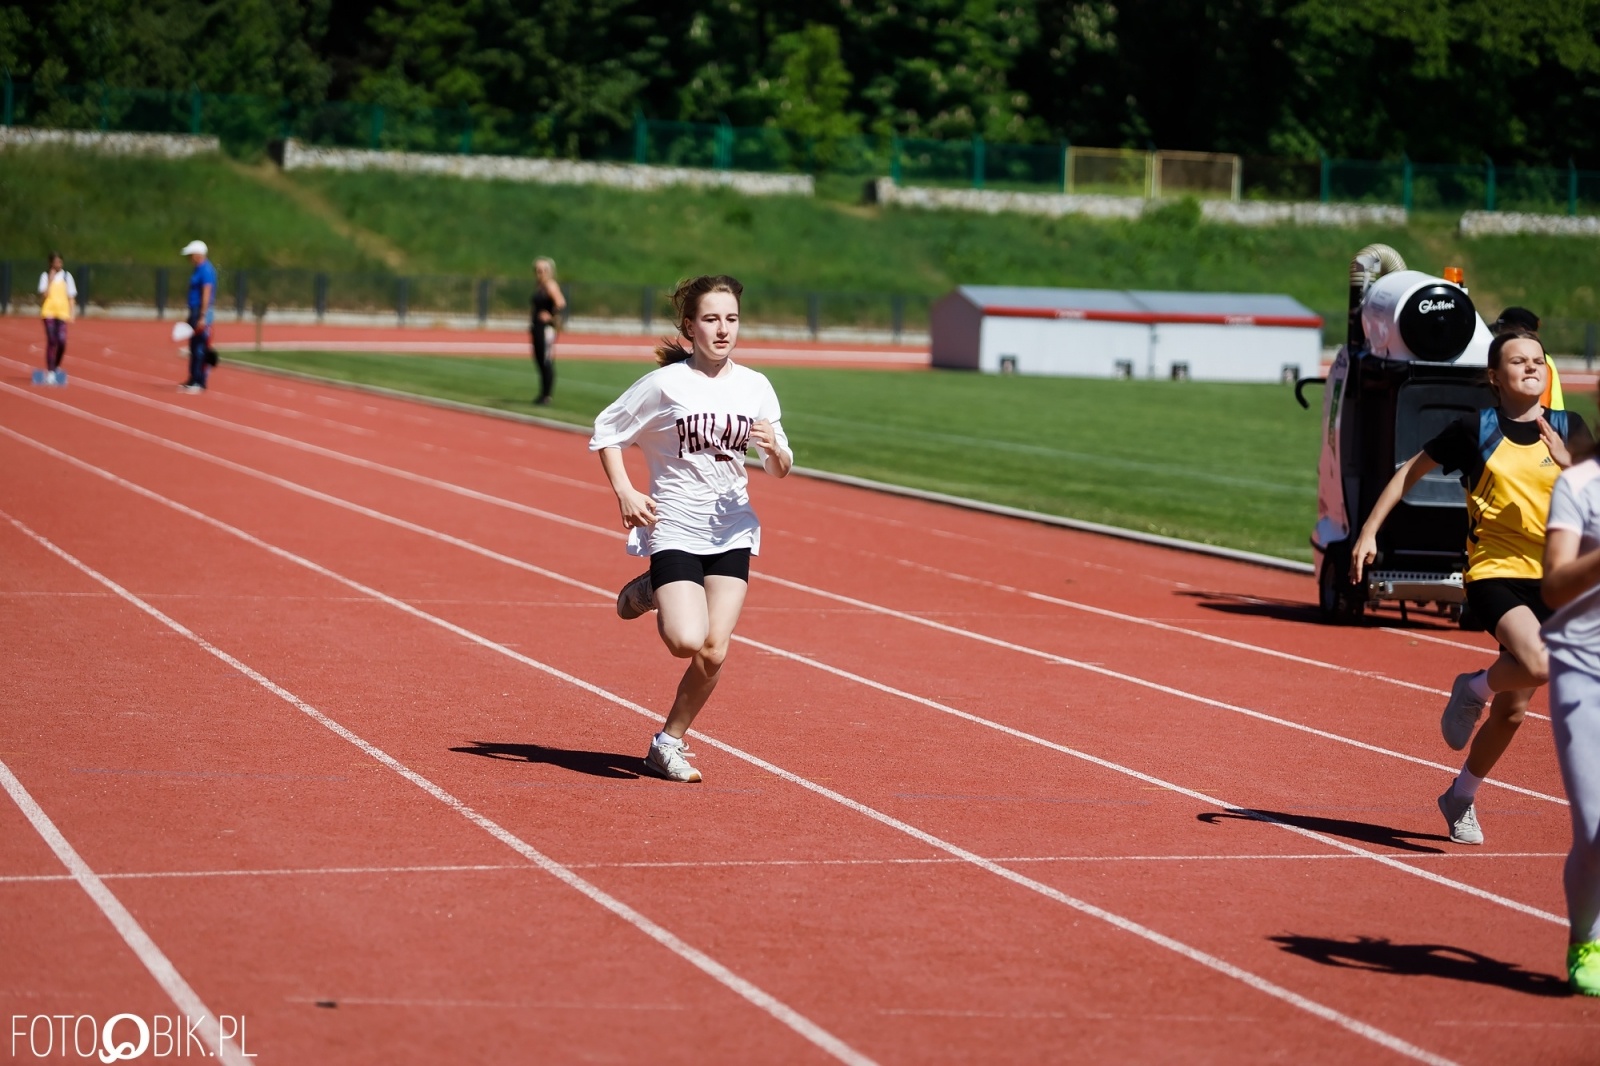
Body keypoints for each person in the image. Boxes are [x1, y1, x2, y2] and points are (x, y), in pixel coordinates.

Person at [1351, 330, 1593, 844]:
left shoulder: (1570, 428)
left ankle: (1460, 795)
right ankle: (1473, 687)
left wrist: (1571, 467)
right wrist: (1369, 531)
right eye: (1518, 361)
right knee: (1540, 663)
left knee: (1513, 711)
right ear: (1494, 377)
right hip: (1494, 572)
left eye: (1537, 360)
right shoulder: (1474, 429)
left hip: (1554, 578)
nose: (1531, 368)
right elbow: (1409, 473)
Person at [588, 275, 793, 782]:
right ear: (689, 326)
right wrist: (625, 491)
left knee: (713, 649)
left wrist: (774, 450)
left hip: (732, 529)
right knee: (685, 639)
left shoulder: (756, 386)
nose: (723, 329)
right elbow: (607, 431)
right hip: (676, 523)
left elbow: (780, 467)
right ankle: (653, 587)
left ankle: (667, 743)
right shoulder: (665, 384)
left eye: (732, 319)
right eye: (711, 319)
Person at [1543, 407, 1600, 994]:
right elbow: (1555, 585)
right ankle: (1586, 937)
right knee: (1596, 834)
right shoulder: (1580, 485)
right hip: (1585, 670)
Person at [1493, 306, 1565, 411]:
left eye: (1502, 331)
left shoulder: (1541, 362)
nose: (1498, 336)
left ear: (1521, 332)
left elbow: (1538, 406)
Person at [179, 239, 217, 393]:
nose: (189, 258)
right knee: (194, 346)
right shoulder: (198, 269)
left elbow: (206, 292)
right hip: (195, 310)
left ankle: (200, 381)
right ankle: (193, 378)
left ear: (198, 254)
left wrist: (202, 316)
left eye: (191, 254)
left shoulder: (206, 270)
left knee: (200, 347)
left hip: (201, 311)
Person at [36, 253, 77, 386]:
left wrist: (72, 313)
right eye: (56, 262)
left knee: (62, 341)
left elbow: (71, 296)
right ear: (51, 263)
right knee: (52, 340)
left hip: (62, 313)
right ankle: (51, 371)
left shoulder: (67, 276)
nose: (58, 264)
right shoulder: (45, 276)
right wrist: (50, 280)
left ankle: (56, 365)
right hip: (48, 312)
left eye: (60, 262)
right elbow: (44, 295)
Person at [530, 257, 566, 406]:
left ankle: (546, 395)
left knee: (546, 360)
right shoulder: (540, 286)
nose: (540, 273)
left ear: (549, 271)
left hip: (546, 328)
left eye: (543, 270)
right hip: (537, 326)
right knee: (539, 359)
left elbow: (560, 302)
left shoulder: (550, 285)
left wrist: (551, 317)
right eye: (537, 270)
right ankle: (542, 393)